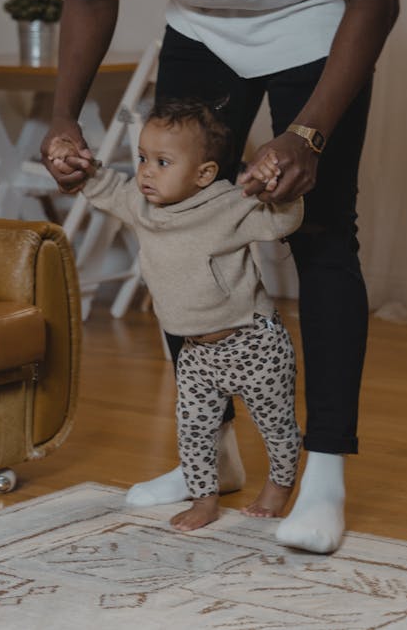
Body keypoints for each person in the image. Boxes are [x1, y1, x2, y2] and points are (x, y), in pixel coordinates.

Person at [41, 0, 399, 554]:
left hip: (315, 26)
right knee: (171, 222)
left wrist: (306, 133)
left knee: (325, 236)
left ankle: (326, 472)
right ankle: (211, 458)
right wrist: (64, 114)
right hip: (202, 31)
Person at [49, 98, 304, 532]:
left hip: (252, 341)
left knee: (275, 423)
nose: (146, 171)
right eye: (143, 158)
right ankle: (205, 497)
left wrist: (275, 185)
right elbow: (109, 188)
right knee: (193, 430)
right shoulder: (142, 205)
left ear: (204, 173)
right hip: (196, 353)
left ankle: (279, 487)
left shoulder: (228, 205)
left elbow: (281, 221)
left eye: (163, 162)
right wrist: (81, 167)